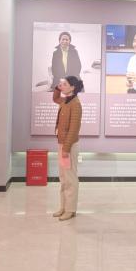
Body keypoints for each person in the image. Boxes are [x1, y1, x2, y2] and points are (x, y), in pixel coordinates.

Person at [52, 76, 84, 221]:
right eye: (61, 84)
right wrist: (57, 88)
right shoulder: (65, 100)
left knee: (70, 178)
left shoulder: (75, 104)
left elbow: (74, 129)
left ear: (72, 87)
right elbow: (55, 98)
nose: (62, 86)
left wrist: (66, 148)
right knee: (63, 177)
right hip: (62, 143)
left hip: (69, 145)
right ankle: (64, 207)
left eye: (64, 84)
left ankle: (70, 210)